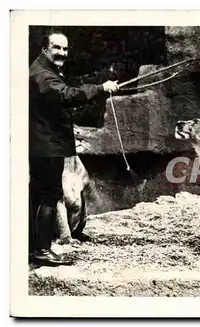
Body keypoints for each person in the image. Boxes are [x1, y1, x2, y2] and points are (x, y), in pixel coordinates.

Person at [29, 30, 120, 266]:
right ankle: (41, 250)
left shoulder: (46, 71)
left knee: (40, 196)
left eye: (65, 48)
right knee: (49, 196)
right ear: (44, 49)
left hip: (45, 145)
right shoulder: (42, 76)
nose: (62, 52)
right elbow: (67, 95)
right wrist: (100, 89)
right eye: (57, 47)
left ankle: (34, 247)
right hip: (46, 146)